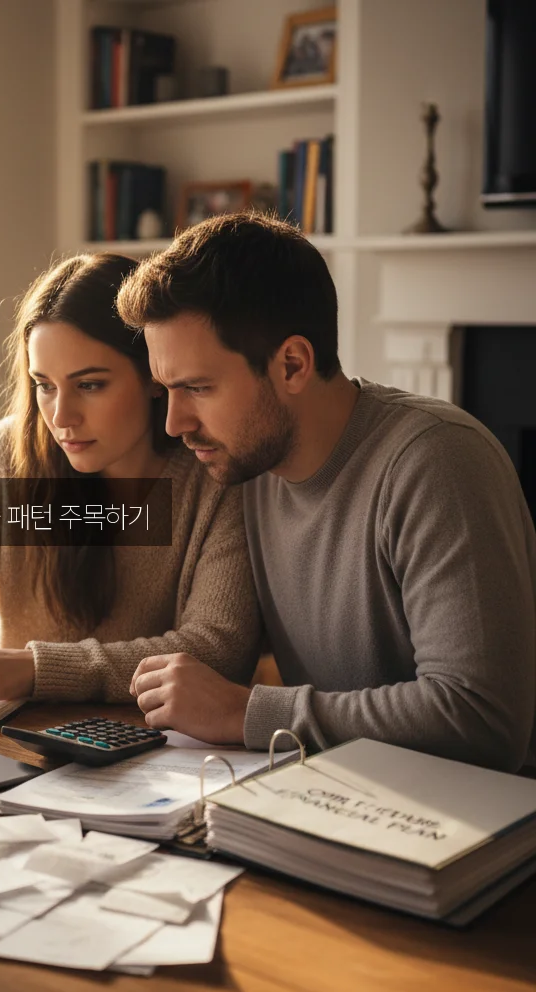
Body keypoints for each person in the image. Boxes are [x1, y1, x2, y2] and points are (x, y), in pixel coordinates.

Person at [117, 211, 536, 771]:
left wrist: (249, 712)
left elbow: (482, 719)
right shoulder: (248, 465)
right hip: (331, 795)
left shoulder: (437, 461)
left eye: (197, 387)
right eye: (167, 389)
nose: (173, 422)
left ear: (292, 364)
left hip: (475, 830)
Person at [0, 253, 260, 709]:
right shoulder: (9, 453)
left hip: (153, 759)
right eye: (45, 384)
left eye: (91, 385)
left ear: (153, 375)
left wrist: (37, 670)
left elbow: (217, 650)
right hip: (19, 743)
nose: (61, 417)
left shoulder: (215, 472)